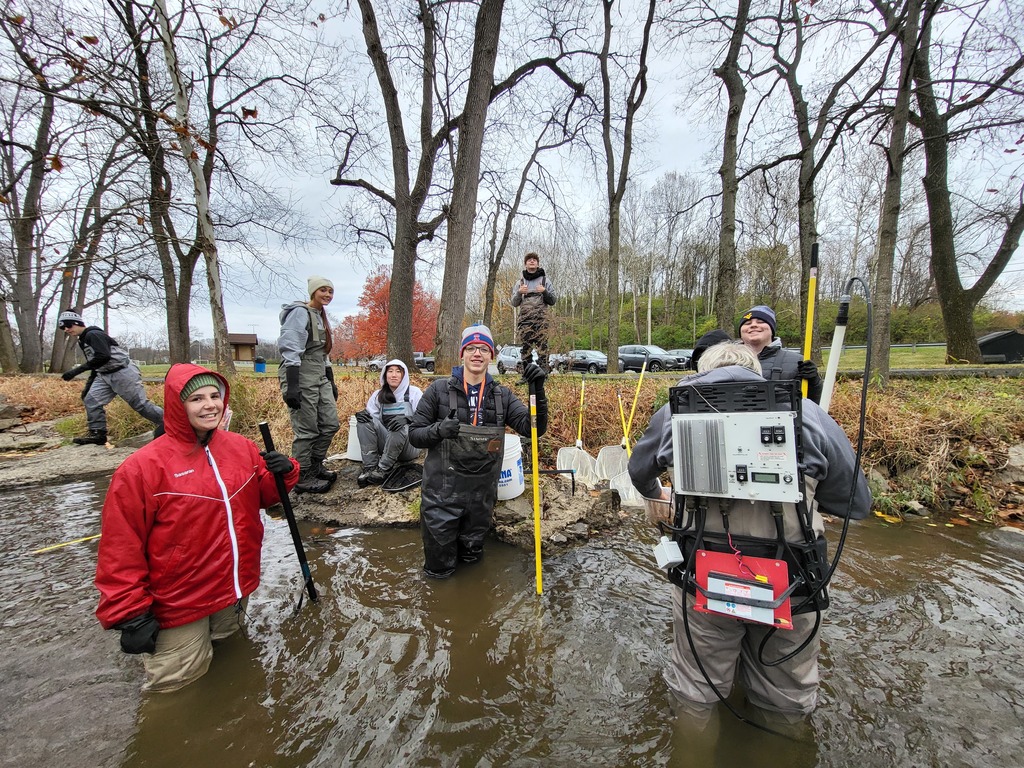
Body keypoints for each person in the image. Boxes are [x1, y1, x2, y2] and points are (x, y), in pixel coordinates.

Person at [628, 342, 871, 717]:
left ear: (702, 370)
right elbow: (856, 503)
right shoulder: (808, 413)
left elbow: (639, 472)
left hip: (702, 575)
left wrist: (658, 493)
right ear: (757, 371)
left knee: (697, 688)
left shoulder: (672, 413)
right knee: (787, 693)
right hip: (793, 579)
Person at [94, 364, 300, 693]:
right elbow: (120, 547)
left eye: (215, 396)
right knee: (178, 693)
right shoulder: (142, 468)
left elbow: (263, 497)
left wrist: (285, 472)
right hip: (178, 605)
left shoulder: (240, 447)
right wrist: (129, 611)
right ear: (178, 405)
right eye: (197, 399)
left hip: (233, 590)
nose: (209, 405)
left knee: (229, 673)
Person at [409, 324, 548, 579]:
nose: (476, 354)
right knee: (439, 572)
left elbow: (534, 429)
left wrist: (537, 390)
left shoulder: (502, 396)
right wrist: (439, 430)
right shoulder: (438, 391)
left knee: (473, 566)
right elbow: (415, 435)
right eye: (471, 348)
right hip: (441, 498)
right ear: (461, 354)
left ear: (491, 356)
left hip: (480, 502)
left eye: (483, 349)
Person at [57, 310, 165, 445]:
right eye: (63, 328)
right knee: (91, 400)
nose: (66, 329)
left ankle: (171, 423)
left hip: (122, 372)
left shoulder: (93, 334)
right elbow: (96, 364)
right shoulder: (83, 340)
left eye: (68, 326)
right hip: (104, 374)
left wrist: (75, 371)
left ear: (77, 323)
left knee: (140, 405)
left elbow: (103, 356)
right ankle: (98, 434)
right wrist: (88, 387)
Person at [278, 276, 340, 493]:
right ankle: (302, 475)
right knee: (307, 430)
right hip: (300, 374)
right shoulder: (299, 313)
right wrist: (292, 386)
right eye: (323, 290)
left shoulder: (320, 315)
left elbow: (323, 353)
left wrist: (330, 382)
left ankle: (315, 465)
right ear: (313, 291)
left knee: (331, 423)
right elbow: (290, 347)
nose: (327, 295)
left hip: (319, 374)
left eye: (330, 291)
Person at [354, 359, 423, 487]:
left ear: (404, 375)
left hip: (409, 447)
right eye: (390, 371)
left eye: (398, 371)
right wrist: (363, 415)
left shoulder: (414, 393)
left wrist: (408, 419)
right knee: (365, 421)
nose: (394, 375)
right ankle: (370, 467)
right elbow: (372, 421)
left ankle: (384, 468)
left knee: (399, 425)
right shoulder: (378, 395)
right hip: (386, 445)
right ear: (385, 375)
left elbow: (425, 419)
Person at [737, 305, 823, 402]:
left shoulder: (798, 362)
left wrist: (813, 382)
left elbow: (813, 404)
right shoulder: (724, 360)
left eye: (761, 322)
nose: (753, 325)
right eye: (747, 323)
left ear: (772, 330)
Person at [510, 251, 557, 373]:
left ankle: (543, 375)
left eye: (534, 260)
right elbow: (514, 303)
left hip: (541, 322)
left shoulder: (545, 281)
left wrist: (544, 291)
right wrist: (519, 293)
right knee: (526, 350)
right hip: (525, 323)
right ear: (525, 264)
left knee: (543, 349)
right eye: (529, 259)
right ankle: (526, 375)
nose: (532, 261)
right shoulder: (519, 283)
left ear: (537, 264)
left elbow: (553, 301)